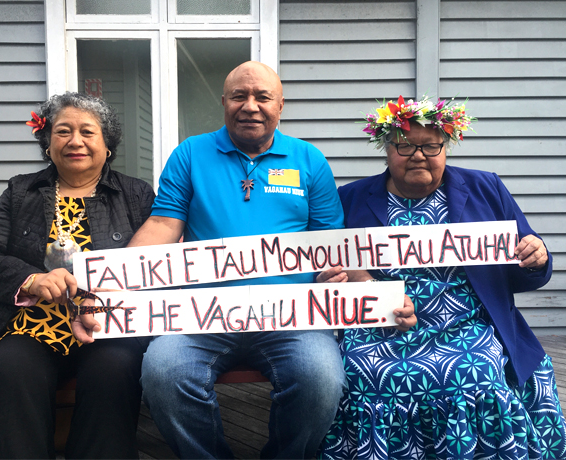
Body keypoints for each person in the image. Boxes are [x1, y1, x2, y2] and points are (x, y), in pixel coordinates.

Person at [107, 62, 415, 459]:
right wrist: (113, 281)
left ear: (280, 105)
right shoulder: (191, 154)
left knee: (320, 380)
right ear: (224, 102)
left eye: (262, 97)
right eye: (239, 96)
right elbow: (164, 223)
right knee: (164, 372)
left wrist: (375, 294)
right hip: (201, 314)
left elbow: (332, 244)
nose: (250, 106)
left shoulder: (308, 159)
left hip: (292, 317)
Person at [318, 95, 566, 460]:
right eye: (405, 145)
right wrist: (356, 285)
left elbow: (525, 272)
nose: (418, 155)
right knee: (365, 374)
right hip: (382, 325)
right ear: (386, 150)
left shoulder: (485, 188)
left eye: (431, 145)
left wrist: (535, 256)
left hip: (469, 324)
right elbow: (332, 263)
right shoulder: (352, 197)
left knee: (478, 373)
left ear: (446, 147)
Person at [0, 92, 155, 459]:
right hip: (32, 326)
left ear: (107, 145)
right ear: (48, 143)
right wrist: (30, 279)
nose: (75, 141)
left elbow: (155, 264)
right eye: (63, 131)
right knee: (9, 371)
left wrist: (108, 298)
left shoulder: (136, 194)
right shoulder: (21, 191)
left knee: (114, 370)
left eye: (87, 132)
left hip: (105, 326)